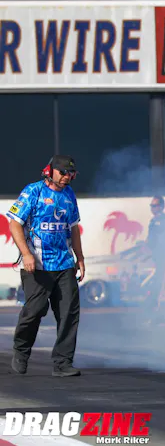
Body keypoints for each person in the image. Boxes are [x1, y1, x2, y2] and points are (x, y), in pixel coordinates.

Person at [6, 155, 85, 377]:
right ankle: (21, 352)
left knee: (69, 313)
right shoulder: (33, 191)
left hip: (64, 264)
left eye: (71, 174)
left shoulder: (69, 194)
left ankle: (63, 363)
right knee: (35, 311)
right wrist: (26, 254)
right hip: (37, 265)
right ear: (50, 171)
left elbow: (73, 228)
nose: (67, 177)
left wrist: (79, 257)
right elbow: (14, 224)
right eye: (63, 173)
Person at [146, 195, 165, 306]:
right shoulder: (153, 221)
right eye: (151, 206)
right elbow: (151, 238)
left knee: (161, 280)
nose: (152, 208)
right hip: (155, 256)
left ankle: (159, 303)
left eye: (155, 205)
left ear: (161, 207)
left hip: (163, 256)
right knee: (155, 279)